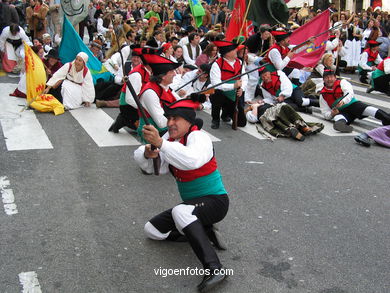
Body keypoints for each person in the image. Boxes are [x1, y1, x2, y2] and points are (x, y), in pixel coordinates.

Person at [134, 95, 229, 292]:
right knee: (151, 230)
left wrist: (162, 145)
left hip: (215, 202)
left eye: (175, 118)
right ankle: (203, 231)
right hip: (192, 207)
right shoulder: (170, 139)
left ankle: (215, 268)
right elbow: (157, 170)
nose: (170, 123)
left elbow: (191, 160)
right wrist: (148, 153)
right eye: (168, 119)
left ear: (189, 121)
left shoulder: (199, 137)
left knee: (181, 212)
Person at [319, 70, 390, 133]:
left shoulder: (342, 82)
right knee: (338, 117)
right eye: (326, 78)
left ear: (335, 77)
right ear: (323, 80)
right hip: (341, 111)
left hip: (353, 105)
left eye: (331, 77)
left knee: (369, 110)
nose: (329, 79)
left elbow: (350, 93)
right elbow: (325, 113)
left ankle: (386, 118)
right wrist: (332, 114)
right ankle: (342, 126)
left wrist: (343, 101)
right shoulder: (323, 95)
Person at [136, 53, 182, 142]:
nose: (175, 74)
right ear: (163, 76)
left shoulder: (164, 86)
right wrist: (180, 116)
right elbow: (161, 122)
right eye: (172, 71)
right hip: (153, 132)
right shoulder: (150, 92)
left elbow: (180, 102)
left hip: (166, 128)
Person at [109, 47, 152, 133]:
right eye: (134, 57)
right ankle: (125, 120)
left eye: (138, 57)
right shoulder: (136, 74)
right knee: (145, 129)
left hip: (137, 101)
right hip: (127, 104)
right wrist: (145, 108)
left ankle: (125, 118)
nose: (136, 59)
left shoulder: (148, 71)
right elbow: (130, 99)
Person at [209, 40, 247, 129]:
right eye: (234, 50)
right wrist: (233, 86)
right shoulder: (217, 65)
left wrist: (242, 89)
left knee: (241, 123)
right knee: (216, 93)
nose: (236, 51)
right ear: (227, 53)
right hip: (221, 93)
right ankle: (215, 119)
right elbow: (216, 84)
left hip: (235, 95)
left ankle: (225, 113)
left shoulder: (240, 62)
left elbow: (245, 78)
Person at [245, 100, 323, 141]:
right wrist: (254, 107)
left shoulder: (265, 103)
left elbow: (274, 104)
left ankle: (302, 126)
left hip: (277, 110)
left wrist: (262, 103)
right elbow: (253, 119)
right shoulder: (250, 112)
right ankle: (291, 129)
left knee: (285, 107)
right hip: (267, 115)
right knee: (274, 120)